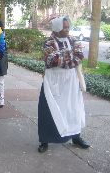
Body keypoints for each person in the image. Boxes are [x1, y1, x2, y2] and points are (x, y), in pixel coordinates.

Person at [38, 16, 90, 153]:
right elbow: (51, 59)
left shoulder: (73, 40)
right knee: (48, 110)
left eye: (68, 27)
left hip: (71, 81)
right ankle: (44, 140)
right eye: (64, 27)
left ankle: (76, 137)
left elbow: (79, 56)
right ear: (57, 28)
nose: (67, 30)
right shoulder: (49, 42)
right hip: (53, 81)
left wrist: (63, 57)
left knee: (73, 109)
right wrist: (70, 56)